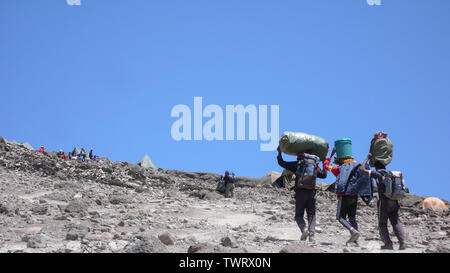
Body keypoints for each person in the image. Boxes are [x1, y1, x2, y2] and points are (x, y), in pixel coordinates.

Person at [277, 146, 327, 243]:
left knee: (299, 215)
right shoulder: (315, 165)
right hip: (312, 192)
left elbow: (281, 163)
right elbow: (324, 175)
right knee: (311, 215)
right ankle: (312, 237)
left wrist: (279, 153)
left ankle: (304, 229)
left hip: (300, 192)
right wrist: (324, 163)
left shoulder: (298, 164)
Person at [360, 153, 407, 250]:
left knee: (382, 223)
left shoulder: (377, 174)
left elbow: (362, 169)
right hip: (395, 200)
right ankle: (402, 241)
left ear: (376, 167)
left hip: (384, 202)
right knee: (396, 221)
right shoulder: (391, 174)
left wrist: (367, 159)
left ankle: (388, 244)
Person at [323, 148, 360, 245]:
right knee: (352, 217)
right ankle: (355, 241)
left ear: (340, 161)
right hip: (355, 196)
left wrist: (330, 156)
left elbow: (326, 166)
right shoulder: (356, 168)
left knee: (340, 217)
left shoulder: (339, 169)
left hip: (344, 195)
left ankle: (353, 231)